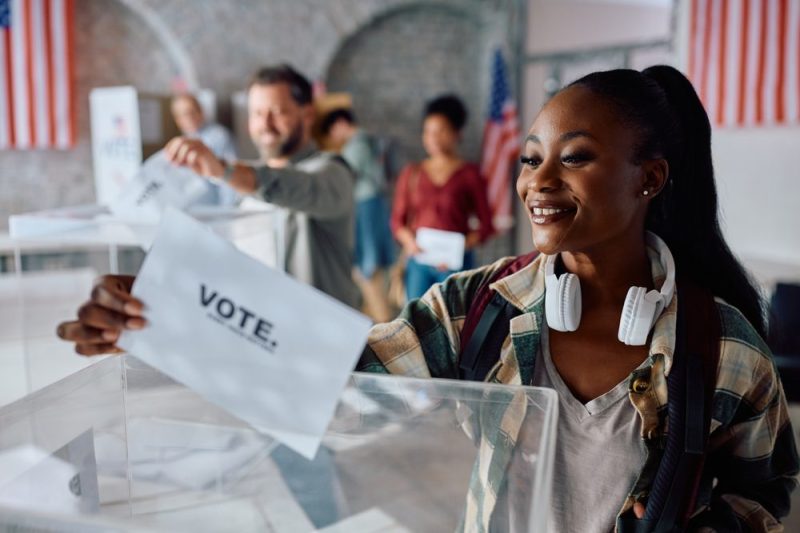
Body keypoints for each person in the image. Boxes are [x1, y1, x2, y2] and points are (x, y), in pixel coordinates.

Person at [57, 66, 797, 532]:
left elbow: (767, 490)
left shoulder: (723, 349)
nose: (538, 182)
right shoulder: (482, 307)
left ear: (651, 178)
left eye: (575, 158)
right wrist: (164, 310)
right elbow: (341, 370)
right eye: (532, 157)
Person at [165, 65, 360, 310]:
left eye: (277, 112)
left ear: (308, 114)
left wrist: (223, 170)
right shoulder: (243, 184)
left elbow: (298, 186)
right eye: (257, 113)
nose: (265, 124)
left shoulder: (332, 172)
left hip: (323, 337)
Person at [391, 94, 494, 301]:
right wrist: (410, 243)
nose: (433, 138)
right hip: (419, 263)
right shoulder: (412, 173)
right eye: (428, 132)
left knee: (454, 324)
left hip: (455, 265)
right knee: (417, 323)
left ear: (457, 133)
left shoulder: (470, 175)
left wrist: (455, 250)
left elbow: (486, 226)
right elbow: (397, 221)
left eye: (441, 131)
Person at [321, 108, 395, 322]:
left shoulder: (358, 145)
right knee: (371, 270)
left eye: (332, 131)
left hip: (365, 207)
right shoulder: (369, 141)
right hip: (372, 206)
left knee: (367, 268)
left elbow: (344, 177)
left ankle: (383, 326)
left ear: (340, 124)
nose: (334, 137)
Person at [170, 93, 239, 206]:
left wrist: (227, 210)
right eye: (183, 115)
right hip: (195, 210)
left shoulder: (219, 136)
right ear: (178, 120)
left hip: (218, 209)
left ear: (201, 112)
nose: (189, 118)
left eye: (192, 112)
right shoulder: (181, 143)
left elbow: (230, 174)